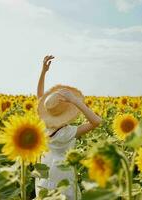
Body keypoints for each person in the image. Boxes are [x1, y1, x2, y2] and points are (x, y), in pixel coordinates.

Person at [35, 55, 102, 199]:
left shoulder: (45, 125)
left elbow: (40, 98)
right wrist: (76, 101)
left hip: (45, 172)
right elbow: (96, 121)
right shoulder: (66, 133)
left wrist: (43, 72)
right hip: (62, 174)